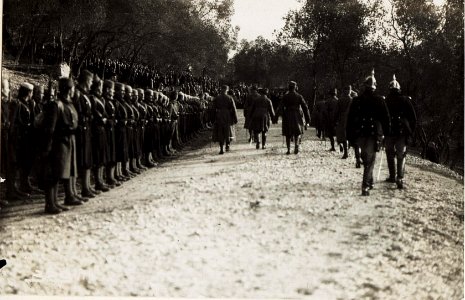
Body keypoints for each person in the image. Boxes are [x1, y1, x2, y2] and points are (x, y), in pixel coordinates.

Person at [346, 70, 390, 196]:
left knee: (366, 159)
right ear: (374, 86)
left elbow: (350, 119)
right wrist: (387, 134)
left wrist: (349, 136)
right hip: (372, 133)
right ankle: (365, 185)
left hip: (359, 133)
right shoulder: (379, 100)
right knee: (369, 159)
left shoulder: (357, 100)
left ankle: (369, 182)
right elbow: (385, 118)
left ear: (365, 86)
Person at [41, 77, 80, 213]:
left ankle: (56, 202)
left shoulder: (69, 103)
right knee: (53, 173)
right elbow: (50, 128)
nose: (74, 91)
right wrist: (47, 147)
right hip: (58, 143)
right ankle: (50, 204)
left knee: (60, 172)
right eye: (73, 88)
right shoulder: (56, 104)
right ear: (69, 90)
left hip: (68, 141)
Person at [384, 75, 417, 189]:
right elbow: (413, 118)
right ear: (399, 89)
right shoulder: (405, 100)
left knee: (390, 154)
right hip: (401, 133)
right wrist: (411, 132)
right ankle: (399, 177)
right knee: (400, 155)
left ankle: (393, 176)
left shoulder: (386, 100)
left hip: (389, 132)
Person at [74, 69, 97, 198]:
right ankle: (82, 188)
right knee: (82, 159)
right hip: (81, 131)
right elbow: (78, 113)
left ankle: (87, 187)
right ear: (85, 81)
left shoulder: (86, 95)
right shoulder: (78, 94)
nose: (91, 83)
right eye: (90, 81)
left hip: (87, 130)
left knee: (87, 158)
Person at [275, 81, 310, 155]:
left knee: (288, 133)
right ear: (295, 87)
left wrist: (276, 117)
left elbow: (280, 107)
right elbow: (305, 107)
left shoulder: (285, 96)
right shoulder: (299, 96)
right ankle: (296, 146)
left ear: (289, 87)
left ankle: (288, 149)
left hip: (287, 115)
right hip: (297, 115)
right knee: (297, 132)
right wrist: (308, 119)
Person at [212, 85, 238, 154]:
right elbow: (234, 109)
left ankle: (221, 149)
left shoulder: (217, 98)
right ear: (227, 90)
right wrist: (235, 118)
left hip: (219, 115)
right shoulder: (230, 98)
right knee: (228, 131)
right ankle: (227, 145)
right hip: (227, 115)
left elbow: (213, 109)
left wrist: (212, 118)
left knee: (220, 131)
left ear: (221, 89)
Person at [335, 86, 354, 159]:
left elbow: (336, 111)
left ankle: (346, 152)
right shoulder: (352, 100)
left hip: (342, 119)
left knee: (343, 136)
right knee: (349, 135)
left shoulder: (340, 100)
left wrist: (335, 120)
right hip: (350, 119)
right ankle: (351, 152)